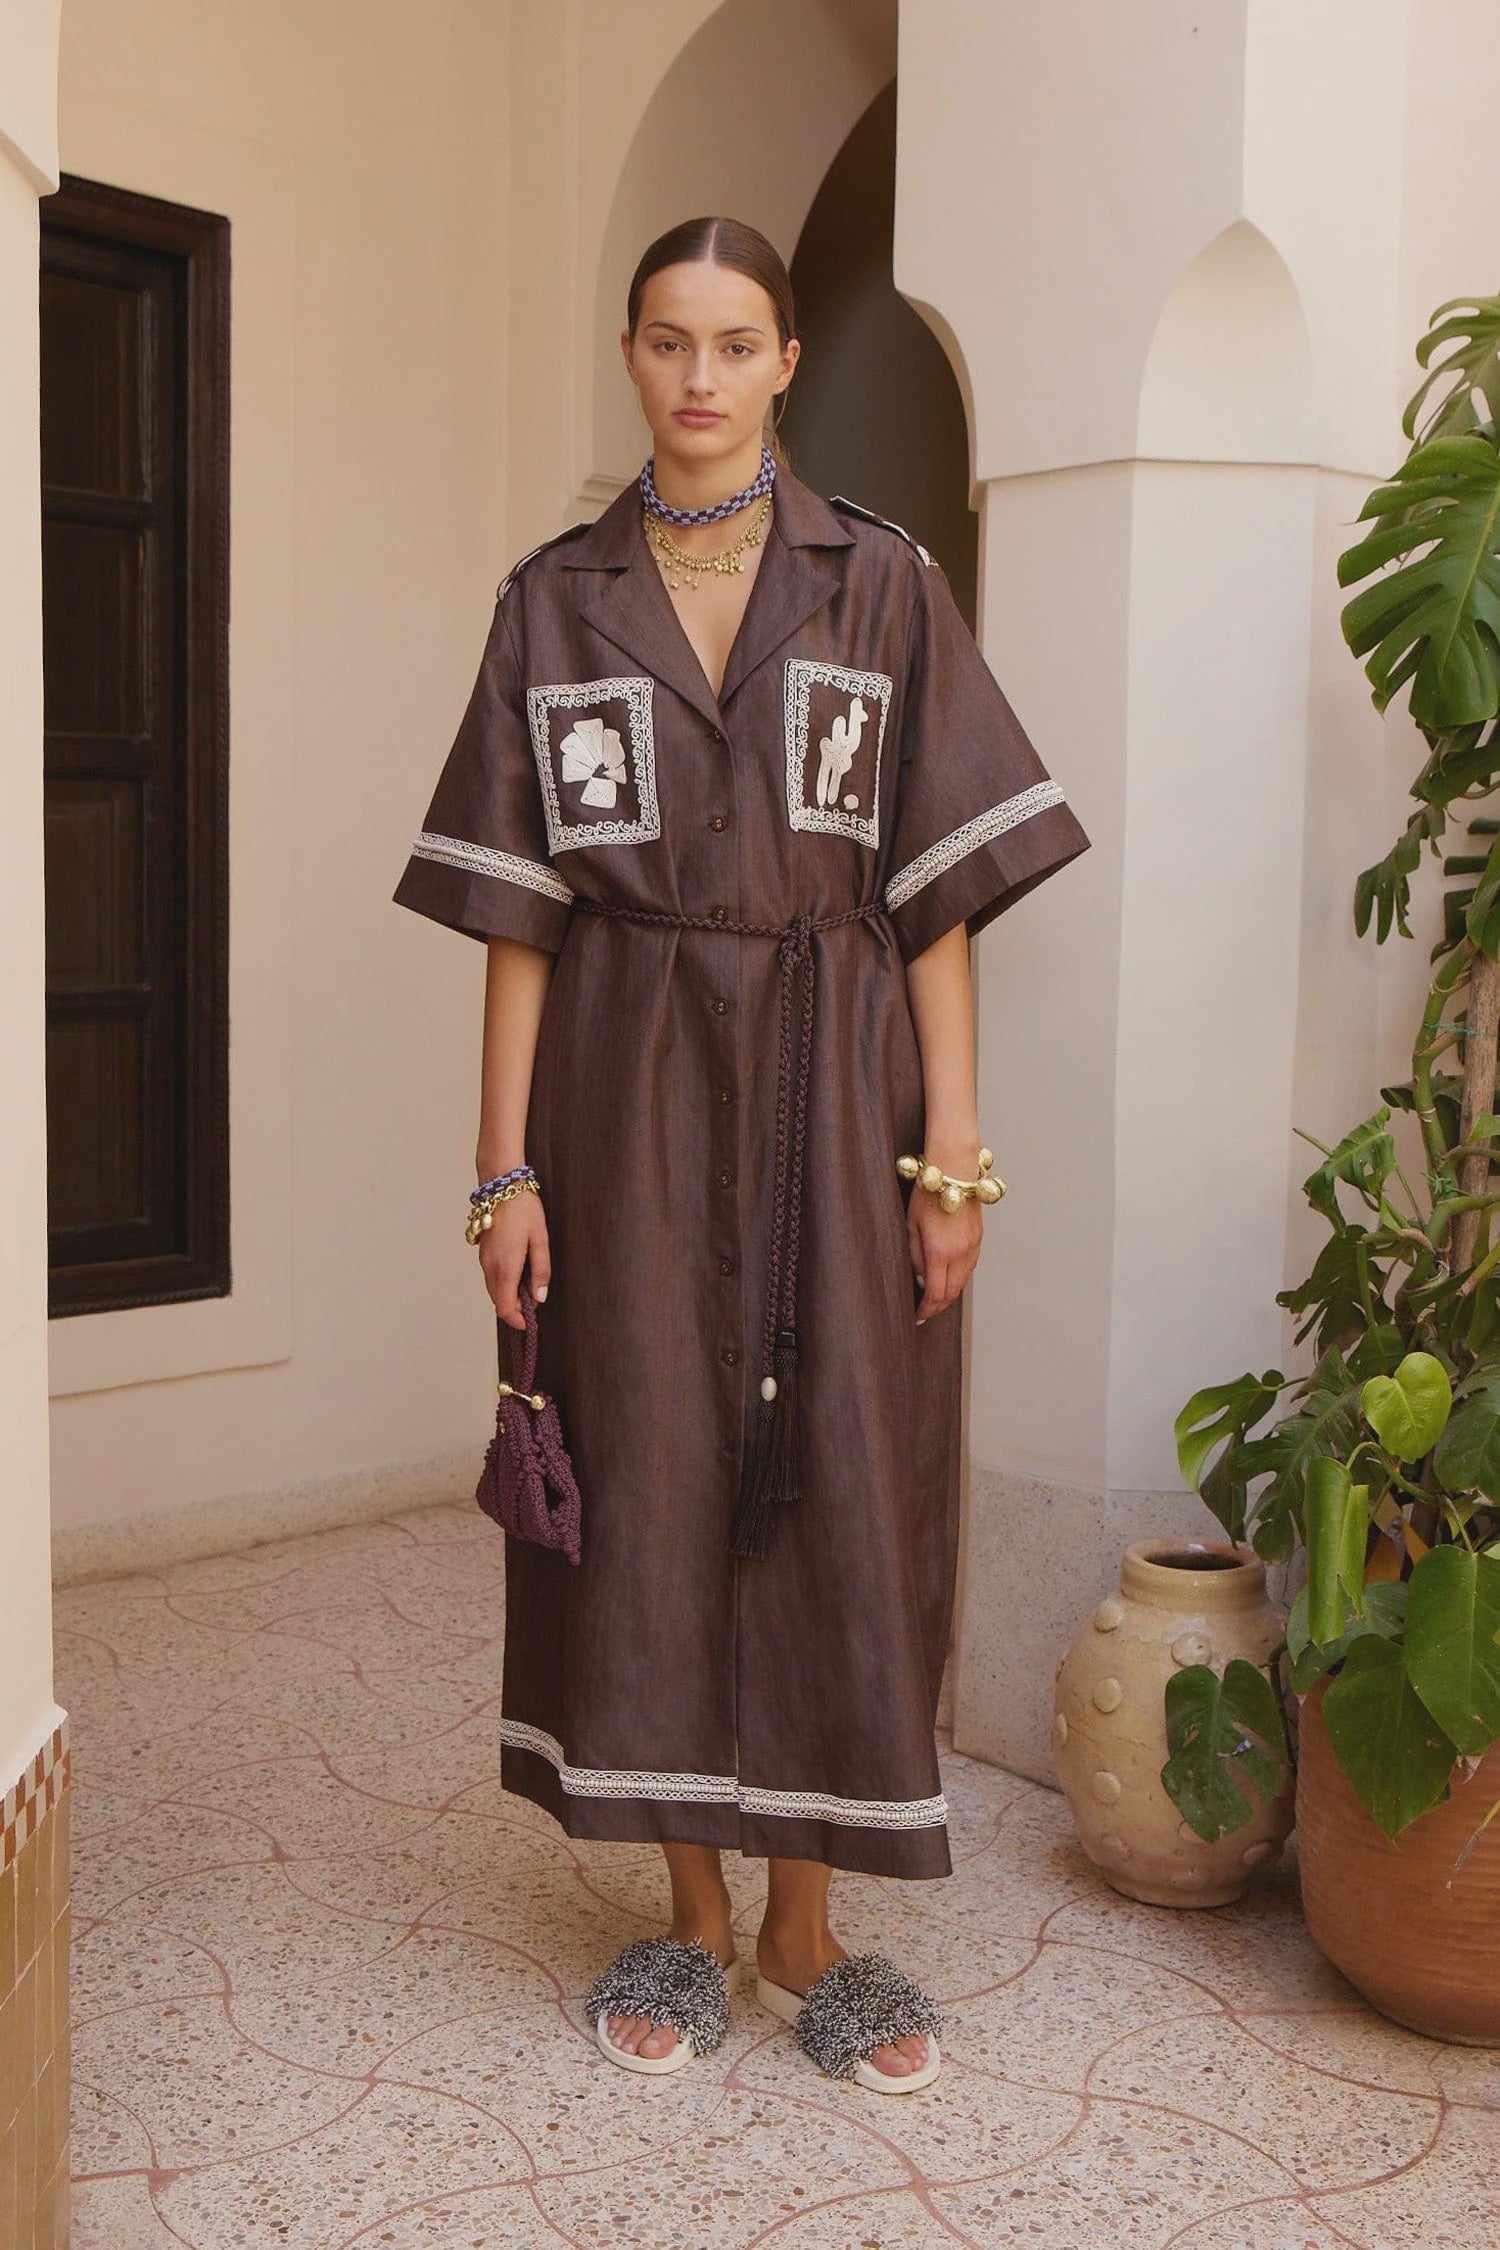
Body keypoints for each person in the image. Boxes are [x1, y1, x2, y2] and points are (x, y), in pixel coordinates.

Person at [393, 215, 1090, 2093]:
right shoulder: (554, 601)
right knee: (645, 1464)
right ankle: (694, 1918)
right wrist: (501, 1168)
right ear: (630, 354)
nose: (699, 376)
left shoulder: (884, 584)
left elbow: (935, 895)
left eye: (735, 342)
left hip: (836, 1082)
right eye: (667, 340)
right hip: (618, 1092)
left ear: (784, 361)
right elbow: (518, 914)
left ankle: (810, 1928)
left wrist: (952, 1149)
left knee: (842, 1472)